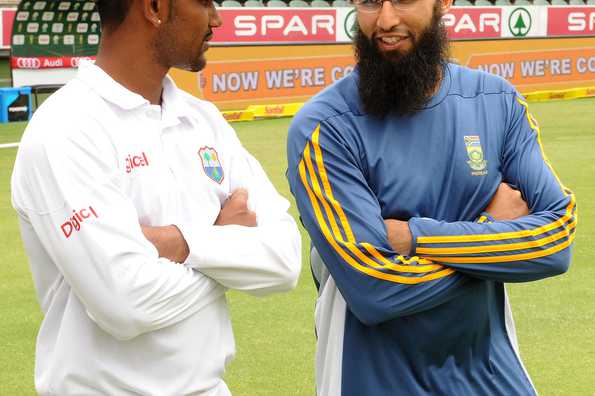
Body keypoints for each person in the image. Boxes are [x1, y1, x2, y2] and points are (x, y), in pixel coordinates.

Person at [286, 0, 576, 394]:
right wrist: (491, 235)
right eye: (370, 2)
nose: (385, 20)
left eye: (403, 0)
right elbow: (376, 290)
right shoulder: (324, 127)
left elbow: (556, 242)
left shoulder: (496, 101)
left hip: (492, 378)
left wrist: (415, 237)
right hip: (374, 381)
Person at [11, 0, 301, 394]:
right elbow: (126, 304)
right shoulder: (65, 131)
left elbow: (285, 260)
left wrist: (181, 243)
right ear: (154, 7)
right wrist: (226, 247)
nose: (216, 18)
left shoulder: (203, 119)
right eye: (203, 3)